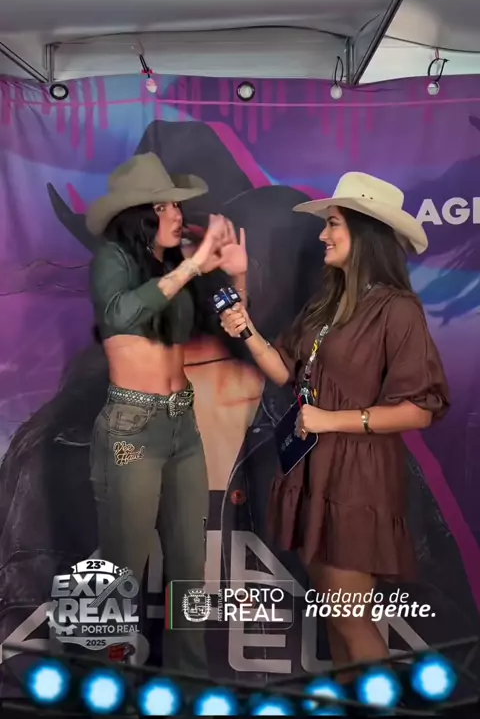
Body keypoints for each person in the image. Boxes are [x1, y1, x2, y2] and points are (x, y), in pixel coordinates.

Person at [219, 171, 450, 674]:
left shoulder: (398, 310)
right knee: (336, 619)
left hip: (358, 477)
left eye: (333, 224)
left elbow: (421, 408)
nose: (323, 234)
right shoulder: (327, 303)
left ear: (364, 232)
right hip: (313, 469)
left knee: (350, 620)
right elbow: (286, 370)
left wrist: (330, 419)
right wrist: (247, 330)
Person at [85, 151, 248, 674]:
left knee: (190, 569)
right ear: (143, 215)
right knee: (120, 567)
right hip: (132, 428)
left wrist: (235, 277)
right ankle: (107, 683)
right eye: (167, 207)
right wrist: (192, 266)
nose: (179, 214)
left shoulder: (175, 268)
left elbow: (228, 327)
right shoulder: (112, 259)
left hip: (183, 425)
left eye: (177, 206)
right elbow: (120, 314)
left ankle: (190, 678)